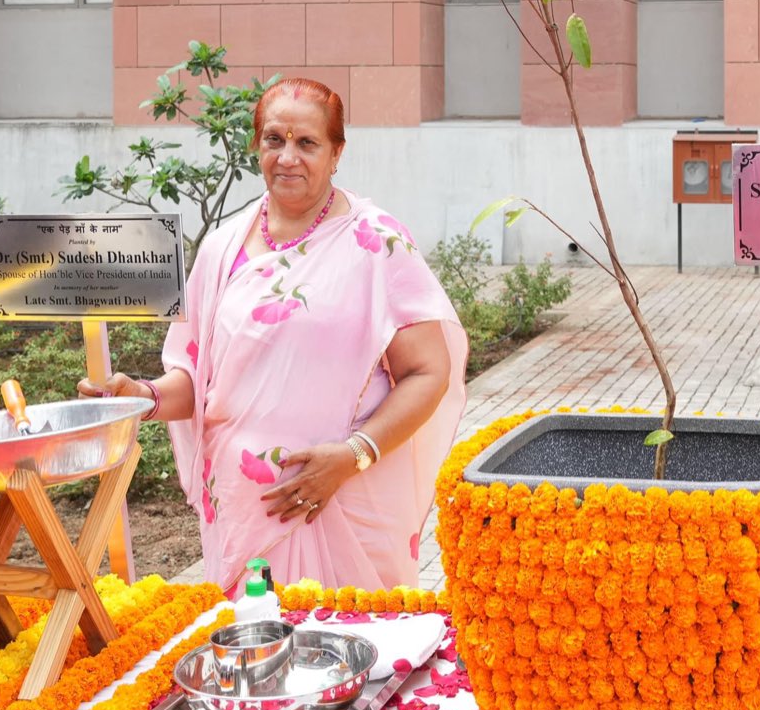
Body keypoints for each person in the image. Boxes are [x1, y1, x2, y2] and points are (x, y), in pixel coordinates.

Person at [78, 77, 468, 594]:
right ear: (256, 146)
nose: (288, 157)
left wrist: (353, 455)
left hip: (345, 502)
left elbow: (429, 372)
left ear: (336, 153)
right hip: (244, 510)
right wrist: (142, 398)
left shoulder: (377, 244)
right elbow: (198, 381)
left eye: (307, 143)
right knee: (254, 659)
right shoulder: (222, 249)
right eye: (274, 140)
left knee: (357, 654)